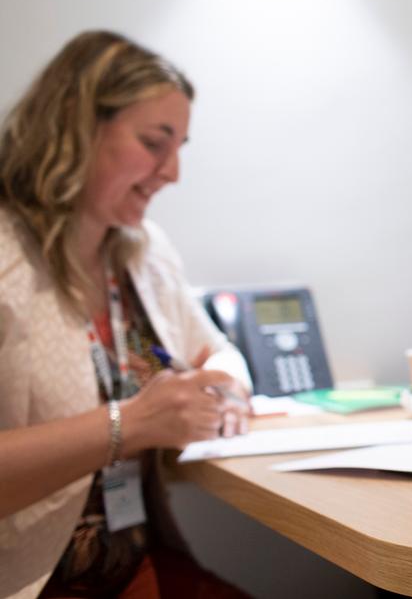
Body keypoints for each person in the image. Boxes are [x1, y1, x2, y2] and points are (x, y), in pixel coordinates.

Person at [0, 31, 254, 599]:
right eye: (154, 142)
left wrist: (230, 391)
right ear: (75, 126)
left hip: (133, 567)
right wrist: (129, 425)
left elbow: (217, 351)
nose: (172, 172)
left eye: (181, 146)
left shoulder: (141, 250)